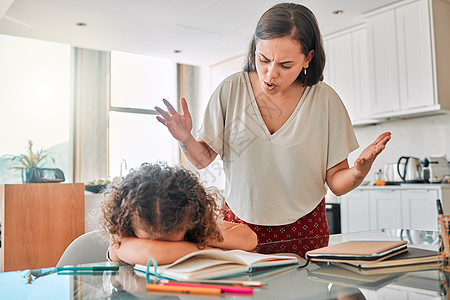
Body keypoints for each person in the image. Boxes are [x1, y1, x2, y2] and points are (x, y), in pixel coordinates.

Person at [154, 3, 391, 257]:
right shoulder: (231, 90)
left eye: (286, 65)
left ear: (308, 59)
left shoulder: (325, 101)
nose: (270, 73)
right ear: (255, 47)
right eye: (263, 59)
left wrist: (358, 171)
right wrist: (185, 138)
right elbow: (202, 160)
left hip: (305, 229)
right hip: (238, 227)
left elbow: (337, 182)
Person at [100, 162, 258, 265]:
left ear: (190, 220)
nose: (164, 243)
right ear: (128, 221)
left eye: (172, 239)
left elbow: (249, 239)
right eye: (154, 239)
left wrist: (202, 237)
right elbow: (151, 253)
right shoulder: (120, 237)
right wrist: (211, 251)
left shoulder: (189, 221)